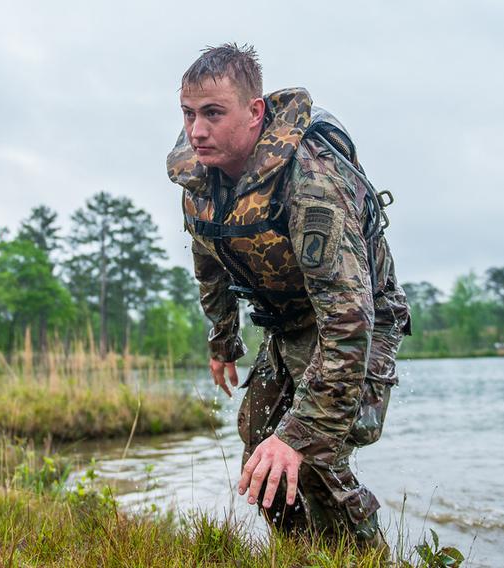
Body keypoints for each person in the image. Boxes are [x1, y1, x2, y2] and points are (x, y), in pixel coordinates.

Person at [167, 44, 409, 546]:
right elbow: (208, 257)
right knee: (259, 439)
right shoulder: (200, 176)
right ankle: (302, 553)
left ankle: (363, 556)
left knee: (314, 445)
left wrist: (300, 435)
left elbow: (348, 318)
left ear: (255, 112)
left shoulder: (312, 181)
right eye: (189, 114)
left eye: (213, 113)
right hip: (289, 319)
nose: (197, 130)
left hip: (358, 318)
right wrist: (223, 338)